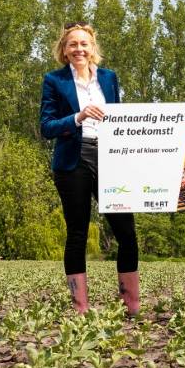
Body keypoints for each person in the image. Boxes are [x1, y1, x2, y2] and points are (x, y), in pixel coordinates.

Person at [40, 22, 140, 316]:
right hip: (73, 161)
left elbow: (120, 116)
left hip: (110, 158)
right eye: (73, 44)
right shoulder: (54, 81)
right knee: (77, 233)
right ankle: (81, 308)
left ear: (92, 48)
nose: (79, 49)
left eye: (84, 44)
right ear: (64, 49)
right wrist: (78, 116)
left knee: (126, 232)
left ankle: (131, 306)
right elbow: (46, 127)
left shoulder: (109, 78)